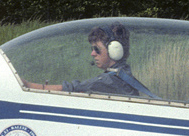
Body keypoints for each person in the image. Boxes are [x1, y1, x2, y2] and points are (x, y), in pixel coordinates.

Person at [25, 23, 154, 97]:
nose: (92, 53)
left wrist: (28, 86)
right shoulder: (122, 73)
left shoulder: (111, 81)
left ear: (115, 50)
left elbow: (73, 88)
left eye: (97, 49)